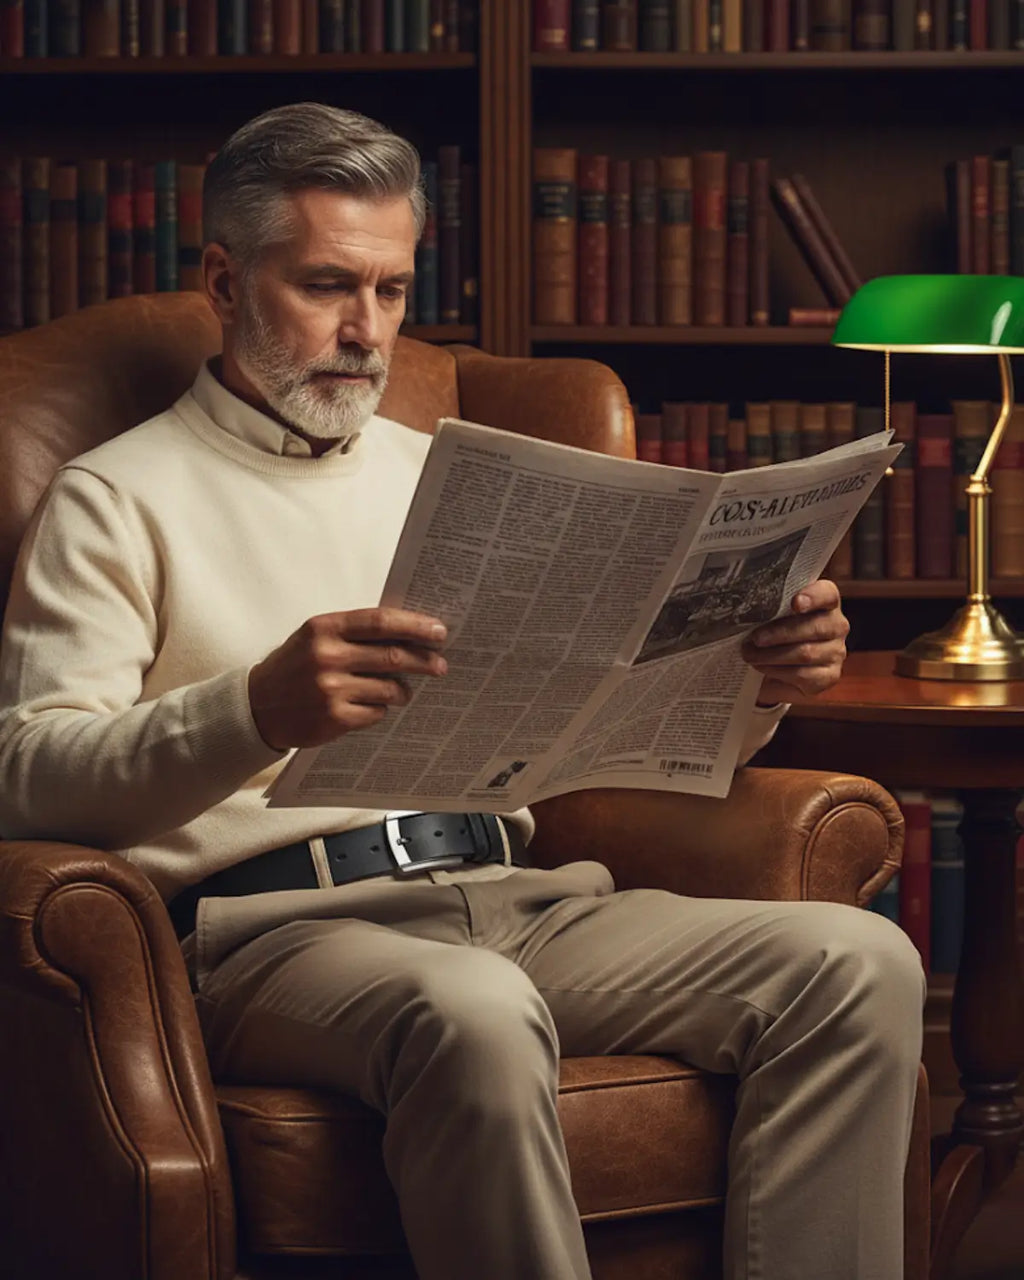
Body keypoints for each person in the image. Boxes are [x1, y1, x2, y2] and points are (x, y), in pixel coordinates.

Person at [0, 103, 924, 1280]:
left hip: (516, 889)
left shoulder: (465, 475)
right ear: (226, 280)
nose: (364, 330)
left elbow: (592, 712)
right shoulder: (114, 496)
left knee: (859, 964)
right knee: (475, 1005)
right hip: (272, 935)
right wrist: (253, 711)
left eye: (391, 291)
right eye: (328, 284)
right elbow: (25, 774)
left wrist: (758, 683)